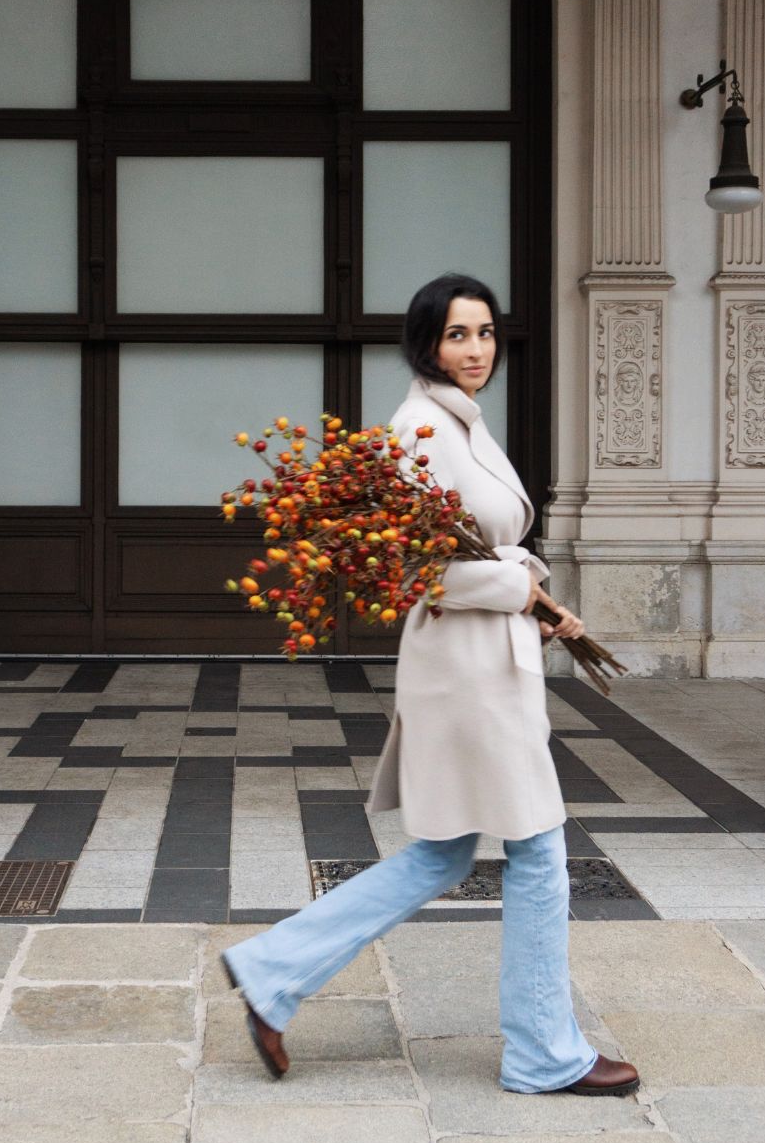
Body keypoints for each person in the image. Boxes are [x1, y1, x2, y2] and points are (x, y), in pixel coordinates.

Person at [220, 272, 640, 1098]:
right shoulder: (419, 428)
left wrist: (537, 592)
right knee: (540, 852)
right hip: (466, 670)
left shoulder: (458, 422)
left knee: (447, 853)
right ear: (425, 343)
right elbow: (420, 570)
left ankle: (272, 971)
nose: (475, 349)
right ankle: (543, 1053)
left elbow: (479, 547)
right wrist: (520, 591)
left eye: (484, 332)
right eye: (457, 334)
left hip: (486, 661)